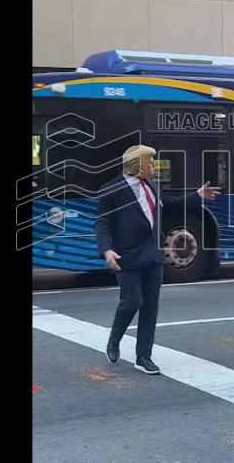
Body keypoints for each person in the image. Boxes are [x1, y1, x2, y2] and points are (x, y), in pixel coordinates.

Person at [95, 145, 221, 374]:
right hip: (127, 257)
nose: (154, 166)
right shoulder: (111, 190)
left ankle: (143, 357)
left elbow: (170, 205)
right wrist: (107, 250)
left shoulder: (152, 186)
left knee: (150, 308)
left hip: (153, 256)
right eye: (151, 162)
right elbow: (102, 223)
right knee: (131, 302)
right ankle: (114, 339)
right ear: (138, 165)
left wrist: (198, 196)